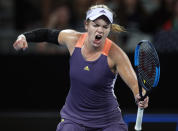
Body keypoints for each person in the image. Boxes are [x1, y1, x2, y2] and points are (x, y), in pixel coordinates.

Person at [13, 4, 148, 131]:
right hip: (74, 119)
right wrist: (24, 36)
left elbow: (135, 84)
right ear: (86, 25)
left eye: (105, 27)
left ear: (109, 29)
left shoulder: (115, 54)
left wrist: (139, 96)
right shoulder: (72, 39)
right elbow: (47, 34)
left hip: (108, 121)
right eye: (95, 25)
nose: (100, 30)